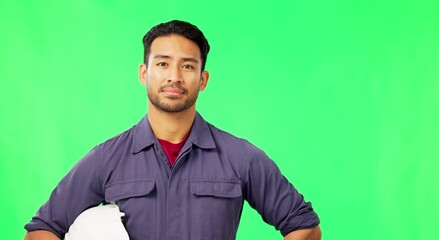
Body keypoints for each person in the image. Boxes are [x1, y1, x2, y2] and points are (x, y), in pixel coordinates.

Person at [24, 20, 321, 240]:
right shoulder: (106, 159)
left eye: (188, 67)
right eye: (163, 64)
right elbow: (42, 231)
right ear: (145, 73)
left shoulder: (240, 157)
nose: (174, 77)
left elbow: (305, 227)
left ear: (203, 79)